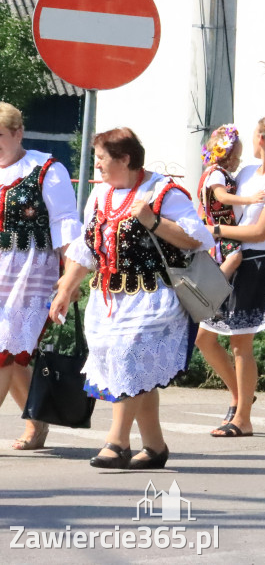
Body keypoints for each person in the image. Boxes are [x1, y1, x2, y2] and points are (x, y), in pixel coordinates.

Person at [49, 127, 213, 469]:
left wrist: (153, 221)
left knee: (129, 359)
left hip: (154, 298)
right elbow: (86, 248)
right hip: (109, 298)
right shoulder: (100, 196)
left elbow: (197, 239)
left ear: (125, 159)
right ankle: (154, 447)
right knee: (134, 370)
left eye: (101, 160)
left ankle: (117, 442)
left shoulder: (164, 192)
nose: (97, 167)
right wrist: (65, 288)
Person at [196, 117, 265, 438]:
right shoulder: (247, 173)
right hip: (228, 258)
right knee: (204, 338)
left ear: (262, 140)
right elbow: (220, 203)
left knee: (241, 344)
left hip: (256, 264)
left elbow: (259, 231)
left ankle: (243, 418)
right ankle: (241, 397)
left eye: (253, 135)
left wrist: (212, 230)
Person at [0, 102, 81, 451]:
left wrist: (70, 279)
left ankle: (37, 422)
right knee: (16, 356)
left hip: (30, 273)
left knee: (4, 351)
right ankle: (38, 422)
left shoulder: (47, 168)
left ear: (19, 133)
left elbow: (65, 223)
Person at [197, 124, 265, 279]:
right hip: (219, 225)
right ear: (225, 156)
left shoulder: (221, 173)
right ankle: (215, 287)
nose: (238, 162)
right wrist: (249, 200)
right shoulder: (217, 174)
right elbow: (222, 196)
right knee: (235, 257)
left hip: (224, 225)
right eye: (236, 157)